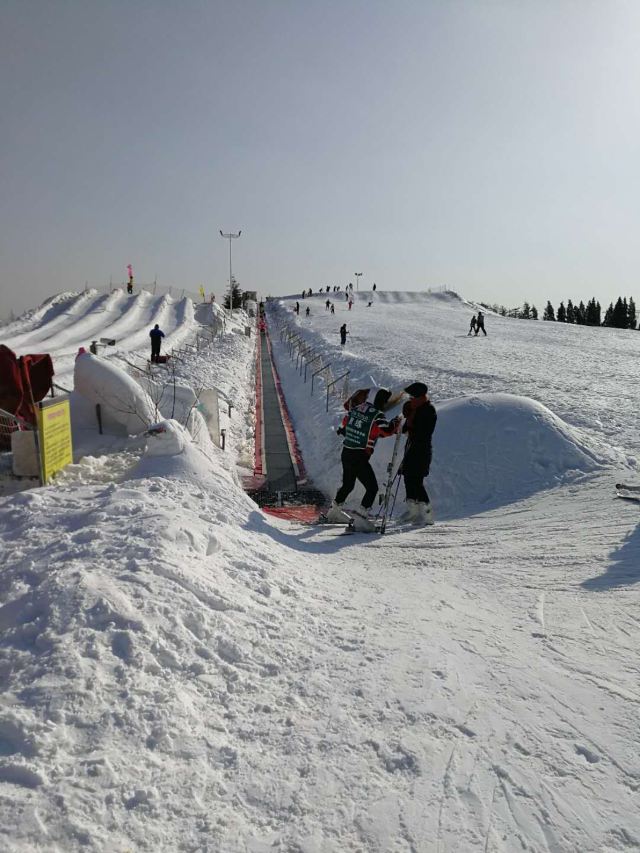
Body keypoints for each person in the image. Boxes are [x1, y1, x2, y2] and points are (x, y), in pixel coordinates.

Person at [327, 388, 401, 531]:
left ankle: (334, 512)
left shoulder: (356, 409)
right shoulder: (377, 415)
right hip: (359, 456)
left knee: (348, 485)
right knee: (372, 488)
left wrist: (349, 431)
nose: (385, 404)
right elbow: (386, 430)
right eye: (384, 401)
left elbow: (343, 425)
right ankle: (361, 517)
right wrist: (396, 421)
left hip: (347, 452)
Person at [400, 381, 437, 525]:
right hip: (411, 448)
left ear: (418, 396)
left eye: (412, 396)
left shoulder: (428, 410)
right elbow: (407, 424)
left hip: (421, 450)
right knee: (408, 477)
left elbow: (424, 432)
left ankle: (427, 514)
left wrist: (410, 430)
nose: (410, 399)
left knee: (416, 480)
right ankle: (413, 511)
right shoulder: (414, 409)